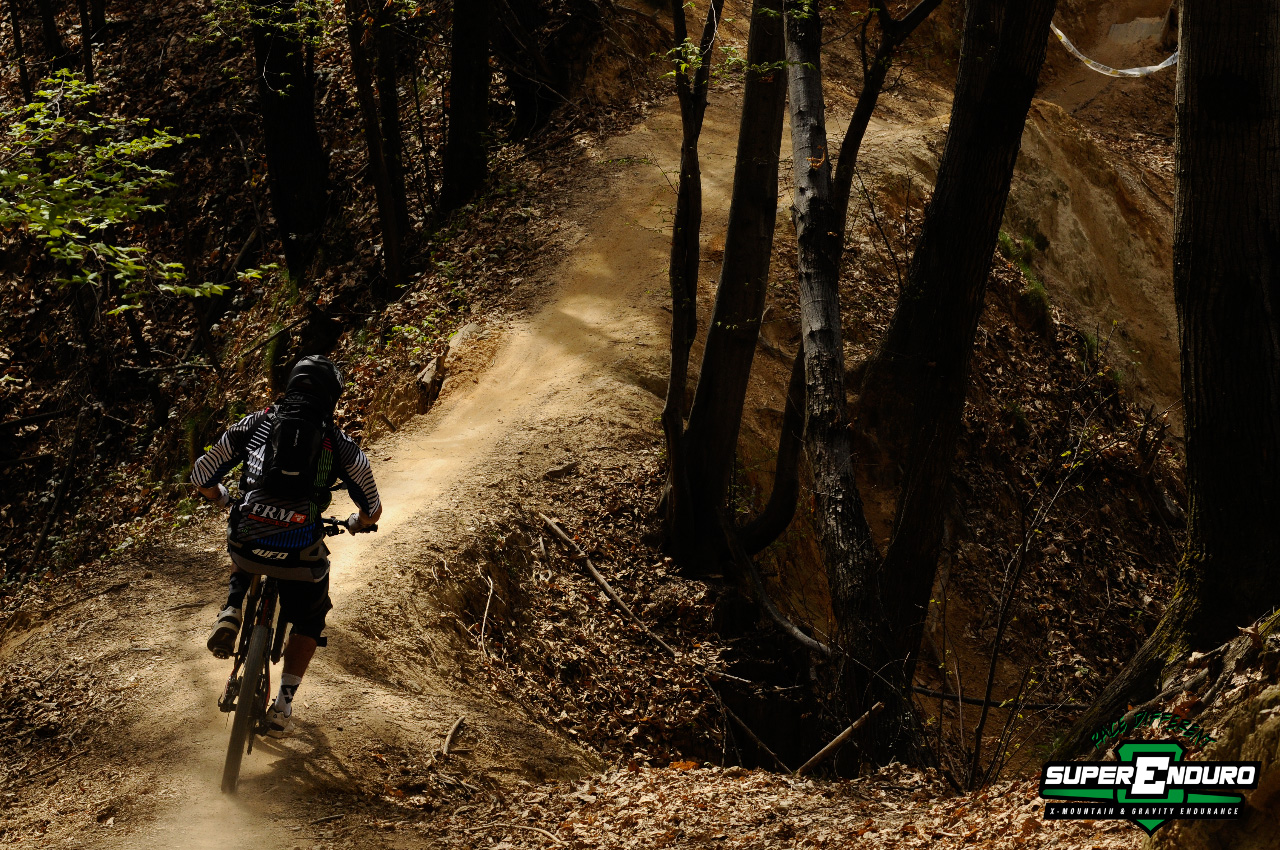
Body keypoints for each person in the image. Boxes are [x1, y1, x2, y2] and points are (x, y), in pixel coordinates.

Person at [191, 355, 382, 737]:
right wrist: (356, 523)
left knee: (242, 540)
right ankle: (282, 707)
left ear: (291, 384)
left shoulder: (256, 422)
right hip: (299, 552)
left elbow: (201, 474)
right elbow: (372, 508)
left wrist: (220, 497)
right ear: (332, 398)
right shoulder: (339, 443)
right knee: (310, 618)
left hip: (247, 541)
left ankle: (232, 609)